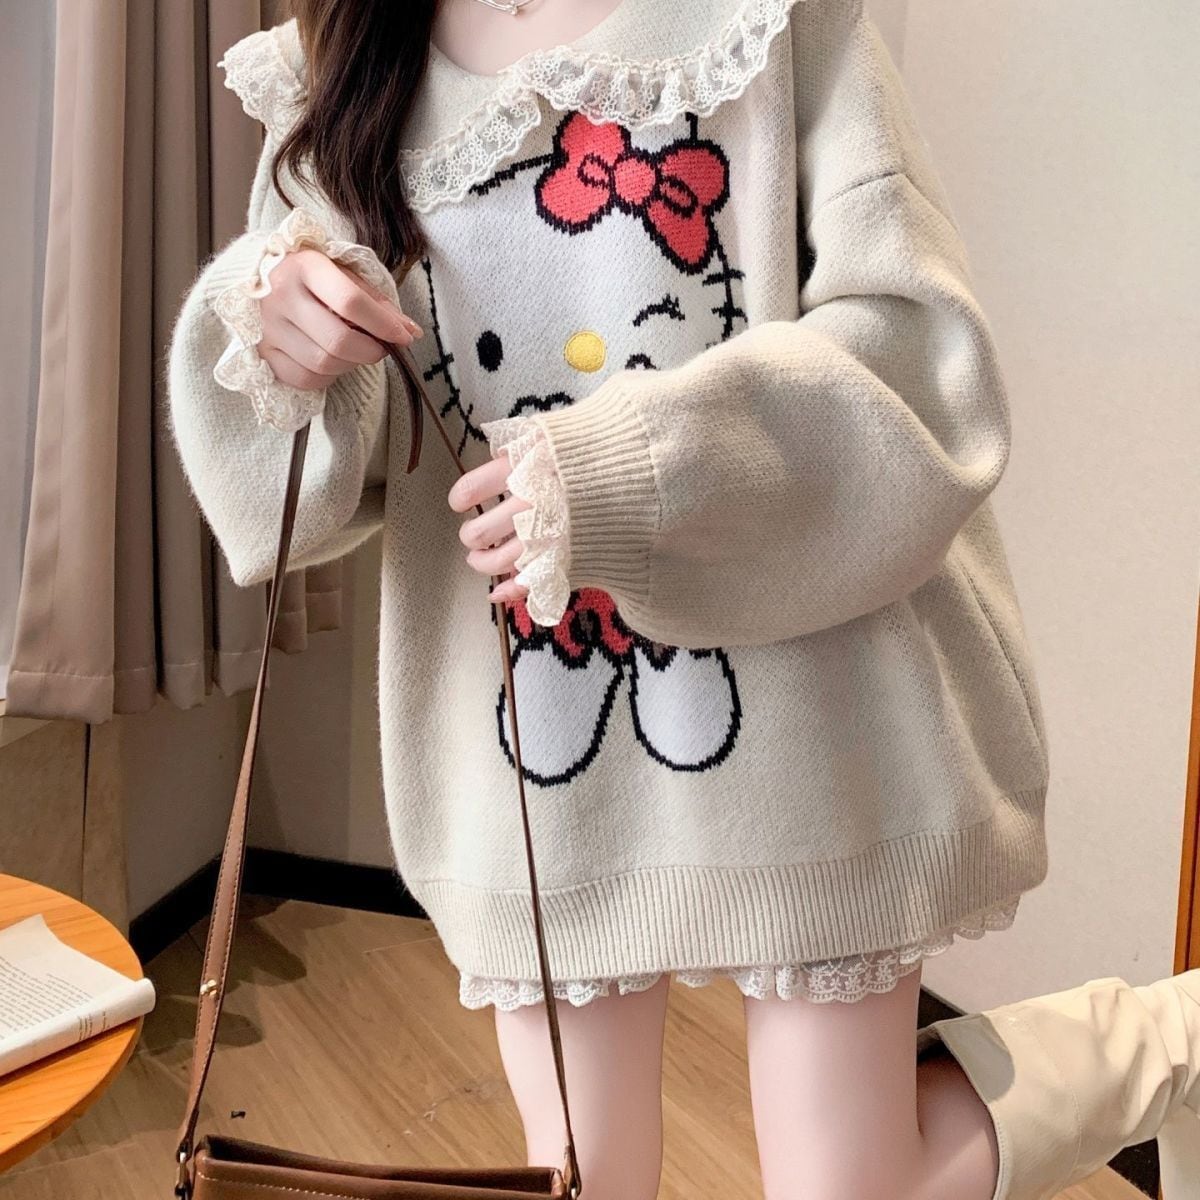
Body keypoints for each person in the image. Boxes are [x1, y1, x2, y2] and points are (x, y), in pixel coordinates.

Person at [166, 1, 1200, 1197]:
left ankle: (1172, 1048)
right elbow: (298, 499)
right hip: (534, 760)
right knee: (585, 1180)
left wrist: (629, 478)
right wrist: (273, 331)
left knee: (860, 1184)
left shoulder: (767, 20)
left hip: (817, 717)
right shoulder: (342, 57)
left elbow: (921, 365)